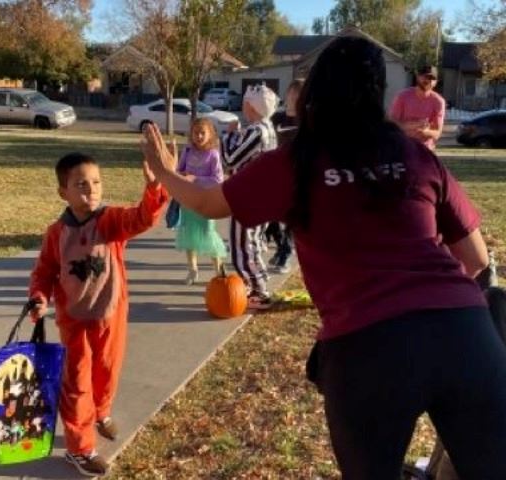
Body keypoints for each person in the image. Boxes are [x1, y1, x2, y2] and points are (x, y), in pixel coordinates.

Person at [141, 36, 506, 480]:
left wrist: (163, 172)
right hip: (465, 333)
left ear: (314, 91)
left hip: (368, 346)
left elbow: (207, 202)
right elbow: (474, 257)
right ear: (379, 94)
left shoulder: (296, 161)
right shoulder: (414, 156)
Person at [28, 152, 167, 477]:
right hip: (74, 321)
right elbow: (44, 271)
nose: (91, 190)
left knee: (107, 370)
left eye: (96, 182)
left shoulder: (110, 220)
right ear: (63, 192)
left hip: (111, 315)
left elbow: (143, 218)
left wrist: (155, 187)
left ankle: (101, 412)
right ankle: (79, 448)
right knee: (76, 384)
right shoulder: (56, 233)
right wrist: (38, 297)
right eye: (81, 184)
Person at [220, 84, 279, 309]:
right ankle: (257, 284)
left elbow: (231, 159)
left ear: (252, 106)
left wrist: (228, 135)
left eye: (246, 102)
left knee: (242, 245)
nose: (243, 106)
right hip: (260, 194)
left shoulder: (257, 131)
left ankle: (259, 290)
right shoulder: (266, 127)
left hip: (249, 195)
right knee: (251, 243)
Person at [175, 118, 227, 285]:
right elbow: (179, 171)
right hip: (188, 200)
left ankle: (219, 271)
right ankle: (192, 269)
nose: (198, 136)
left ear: (210, 134)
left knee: (208, 233)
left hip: (206, 201)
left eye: (202, 132)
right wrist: (180, 175)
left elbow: (217, 179)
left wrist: (195, 178)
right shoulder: (188, 151)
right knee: (189, 234)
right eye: (195, 132)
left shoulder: (213, 154)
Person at [266, 79, 305, 273]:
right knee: (271, 215)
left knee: (290, 216)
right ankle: (280, 245)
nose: (293, 98)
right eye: (291, 93)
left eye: (298, 95)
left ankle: (286, 252)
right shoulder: (277, 119)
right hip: (276, 173)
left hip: (298, 175)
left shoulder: (307, 120)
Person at [389, 65, 446, 150]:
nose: (427, 80)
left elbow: (437, 133)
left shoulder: (438, 102)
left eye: (431, 78)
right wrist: (412, 126)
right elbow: (391, 124)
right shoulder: (403, 96)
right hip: (402, 146)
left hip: (425, 149)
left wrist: (425, 132)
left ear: (436, 82)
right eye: (425, 76)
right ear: (418, 77)